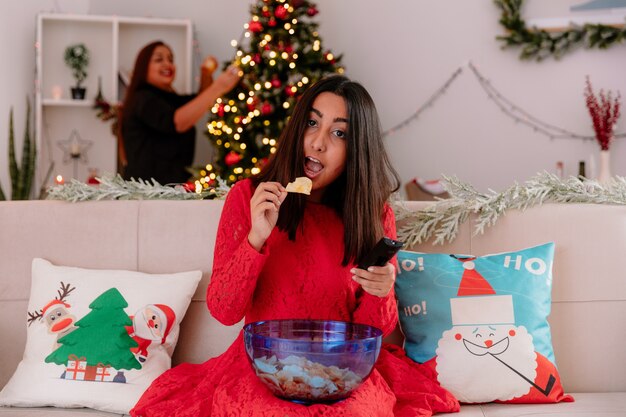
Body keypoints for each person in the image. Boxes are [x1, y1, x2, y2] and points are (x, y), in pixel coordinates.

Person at [130, 75, 459, 417]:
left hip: (341, 373)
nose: (317, 143)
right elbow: (224, 310)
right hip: (262, 370)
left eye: (339, 133)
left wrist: (381, 290)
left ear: (357, 150)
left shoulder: (372, 214)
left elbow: (374, 330)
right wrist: (256, 237)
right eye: (312, 123)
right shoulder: (248, 197)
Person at [121, 40, 240, 185]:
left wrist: (206, 74)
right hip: (146, 194)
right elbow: (177, 122)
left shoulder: (168, 99)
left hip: (167, 191)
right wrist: (219, 87)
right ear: (143, 67)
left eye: (170, 59)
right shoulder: (142, 98)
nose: (168, 64)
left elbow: (197, 103)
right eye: (159, 59)